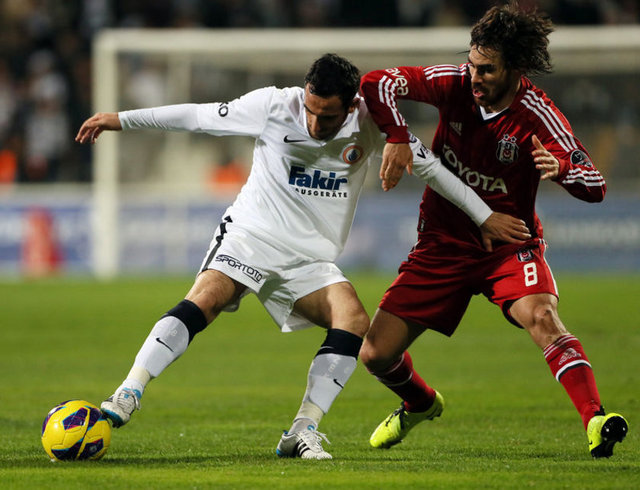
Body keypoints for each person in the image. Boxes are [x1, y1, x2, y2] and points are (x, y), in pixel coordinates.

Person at [76, 53, 528, 460]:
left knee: (352, 320)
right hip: (252, 234)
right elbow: (198, 116)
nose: (314, 124)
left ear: (350, 107)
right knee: (207, 297)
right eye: (310, 110)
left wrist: (485, 215)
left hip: (309, 258)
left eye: (327, 117)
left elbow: (433, 170)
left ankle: (302, 430)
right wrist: (120, 120)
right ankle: (128, 392)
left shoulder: (372, 123)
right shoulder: (275, 105)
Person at [358, 3, 628, 459]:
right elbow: (376, 82)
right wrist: (398, 135)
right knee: (375, 355)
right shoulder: (454, 83)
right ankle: (420, 403)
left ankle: (595, 419)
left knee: (543, 318)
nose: (475, 76)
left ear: (515, 69)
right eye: (472, 64)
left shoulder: (538, 115)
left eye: (487, 69)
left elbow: (595, 184)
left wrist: (562, 169)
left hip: (508, 246)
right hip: (443, 242)